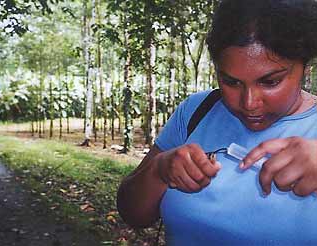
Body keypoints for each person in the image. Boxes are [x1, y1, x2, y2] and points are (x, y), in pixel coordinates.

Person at [117, 0, 317, 244]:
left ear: (305, 67)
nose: (249, 103)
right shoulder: (197, 111)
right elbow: (132, 214)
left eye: (270, 82)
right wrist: (159, 171)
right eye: (231, 82)